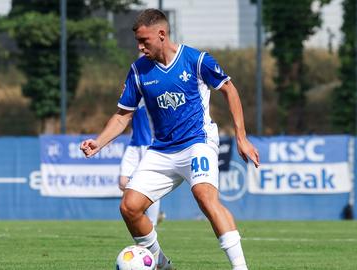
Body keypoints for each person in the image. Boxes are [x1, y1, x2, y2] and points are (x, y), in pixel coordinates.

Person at [81, 9, 259, 270]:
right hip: (162, 150)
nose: (140, 47)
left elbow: (229, 90)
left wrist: (242, 138)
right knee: (129, 207)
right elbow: (122, 116)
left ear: (161, 34)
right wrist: (99, 142)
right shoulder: (139, 71)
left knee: (204, 196)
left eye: (144, 41)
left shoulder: (196, 60)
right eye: (138, 42)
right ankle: (163, 266)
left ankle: (240, 268)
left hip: (198, 142)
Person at [119, 99, 162, 227]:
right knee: (122, 183)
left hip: (148, 143)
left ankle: (152, 224)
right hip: (134, 144)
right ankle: (146, 211)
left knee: (151, 185)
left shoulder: (148, 87)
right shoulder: (132, 88)